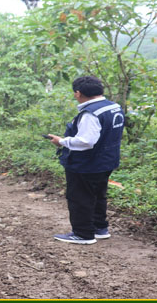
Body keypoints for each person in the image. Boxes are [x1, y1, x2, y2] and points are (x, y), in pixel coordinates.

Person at [46, 76, 124, 245]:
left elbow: (86, 141)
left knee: (80, 197)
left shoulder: (90, 114)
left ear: (78, 93)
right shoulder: (113, 107)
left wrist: (62, 141)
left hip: (86, 163)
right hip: (107, 160)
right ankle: (99, 228)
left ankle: (83, 233)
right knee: (98, 194)